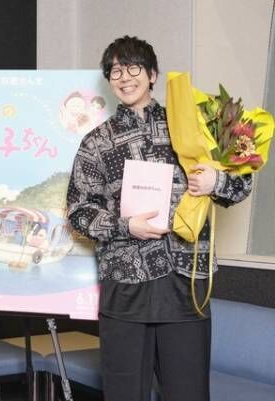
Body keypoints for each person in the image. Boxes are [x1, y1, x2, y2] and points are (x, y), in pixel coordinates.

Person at [66, 36, 252, 401]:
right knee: (124, 392)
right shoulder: (96, 142)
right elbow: (78, 212)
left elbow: (241, 184)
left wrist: (216, 181)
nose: (124, 77)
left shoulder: (193, 126)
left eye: (133, 67)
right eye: (115, 71)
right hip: (125, 283)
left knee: (188, 392)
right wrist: (126, 226)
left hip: (185, 280)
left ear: (152, 74)